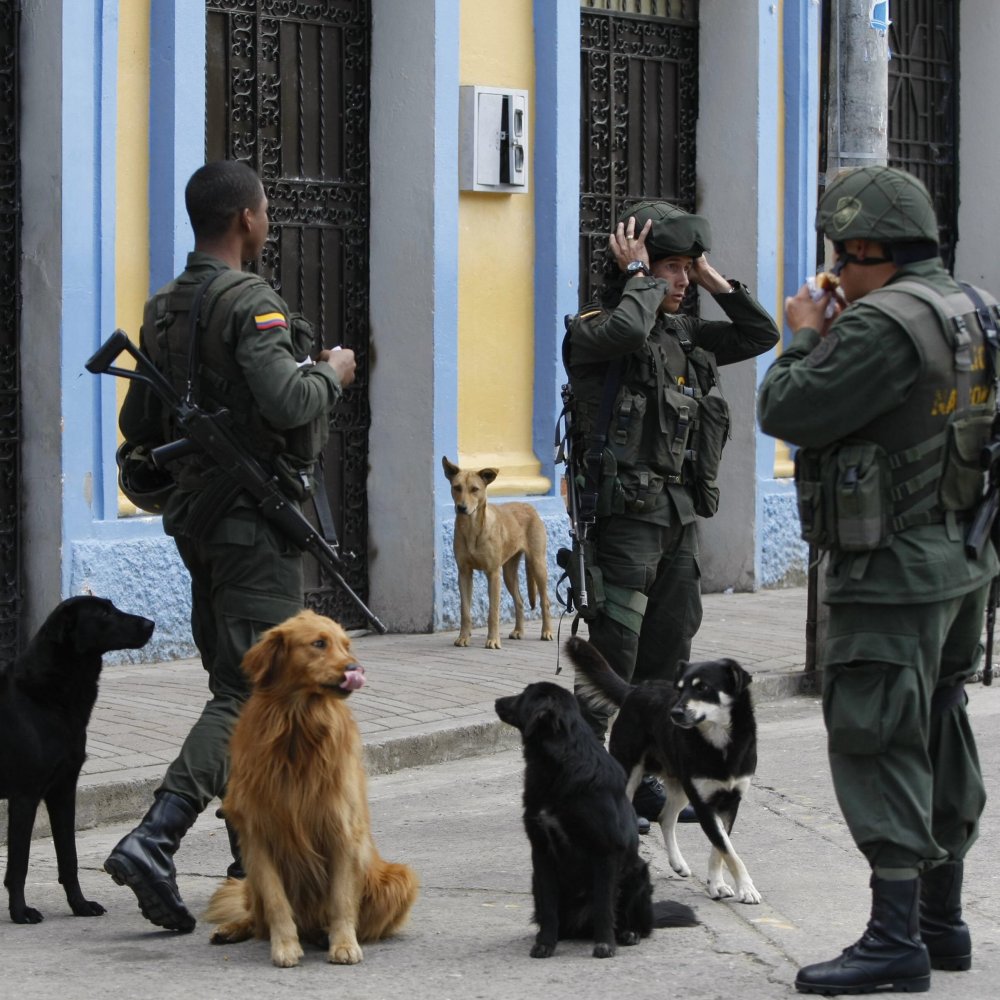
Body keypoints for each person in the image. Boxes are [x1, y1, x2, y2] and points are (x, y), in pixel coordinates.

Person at [758, 165, 994, 995]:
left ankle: (895, 940)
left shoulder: (881, 325)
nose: (833, 273)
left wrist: (802, 333)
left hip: (890, 572)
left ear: (869, 250)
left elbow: (787, 408)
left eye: (840, 257)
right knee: (938, 723)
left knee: (879, 736)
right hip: (962, 562)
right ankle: (942, 923)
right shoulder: (973, 307)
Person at [104, 160, 356, 933]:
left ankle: (251, 855)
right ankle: (158, 834)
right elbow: (287, 398)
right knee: (254, 694)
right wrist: (331, 375)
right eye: (265, 210)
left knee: (233, 678)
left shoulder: (165, 309)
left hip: (202, 524)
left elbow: (138, 432)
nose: (268, 220)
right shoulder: (251, 302)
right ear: (247, 219)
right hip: (250, 526)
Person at [562, 201, 779, 824]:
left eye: (688, 268)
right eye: (672, 267)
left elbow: (760, 335)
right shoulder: (595, 328)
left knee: (666, 659)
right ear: (635, 265)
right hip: (625, 523)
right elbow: (628, 333)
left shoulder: (684, 333)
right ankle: (584, 788)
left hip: (677, 520)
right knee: (612, 660)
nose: (683, 281)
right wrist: (640, 277)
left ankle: (644, 780)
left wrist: (714, 279)